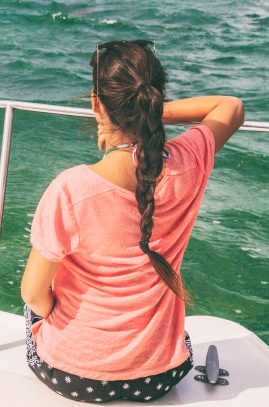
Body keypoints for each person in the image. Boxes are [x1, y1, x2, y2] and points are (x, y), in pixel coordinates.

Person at [20, 39, 244, 403]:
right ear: (154, 99)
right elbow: (231, 107)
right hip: (159, 375)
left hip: (71, 373)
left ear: (97, 105)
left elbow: (32, 294)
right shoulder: (190, 161)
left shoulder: (72, 189)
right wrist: (150, 114)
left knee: (35, 296)